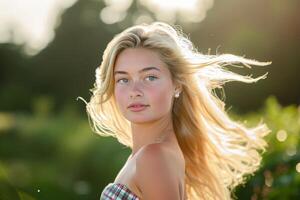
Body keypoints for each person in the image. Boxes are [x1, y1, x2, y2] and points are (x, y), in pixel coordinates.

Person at [78, 21, 271, 200]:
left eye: (150, 77)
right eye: (123, 79)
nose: (134, 92)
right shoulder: (150, 155)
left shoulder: (153, 157)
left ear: (177, 85)